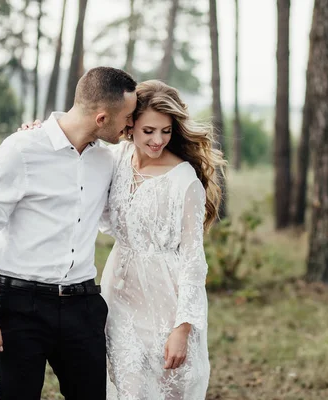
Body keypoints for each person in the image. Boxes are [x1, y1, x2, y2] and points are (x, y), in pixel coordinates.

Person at [0, 66, 137, 400]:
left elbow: (111, 220)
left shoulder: (108, 160)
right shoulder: (20, 150)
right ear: (102, 118)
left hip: (83, 306)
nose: (131, 124)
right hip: (21, 308)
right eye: (128, 117)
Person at [99, 80, 225, 399]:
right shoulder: (115, 159)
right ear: (131, 125)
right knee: (123, 384)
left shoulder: (184, 180)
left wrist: (182, 327)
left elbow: (194, 260)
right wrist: (36, 131)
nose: (157, 140)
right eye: (149, 131)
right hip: (117, 294)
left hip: (165, 302)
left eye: (166, 131)